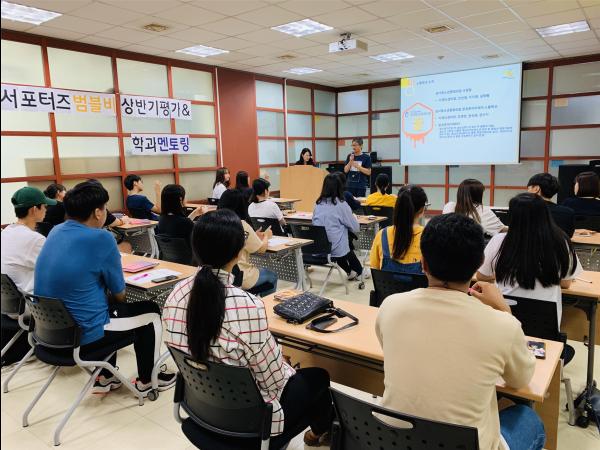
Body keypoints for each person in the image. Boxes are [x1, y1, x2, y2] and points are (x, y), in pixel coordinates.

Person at [162, 210, 332, 448]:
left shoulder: (175, 295)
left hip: (202, 411)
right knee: (318, 377)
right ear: (238, 252)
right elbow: (275, 382)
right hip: (254, 425)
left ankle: (317, 432)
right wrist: (283, 363)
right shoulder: (247, 306)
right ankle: (320, 433)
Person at [376, 213, 544, 450]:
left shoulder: (390, 306)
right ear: (479, 263)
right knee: (529, 419)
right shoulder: (503, 325)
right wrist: (505, 311)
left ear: (423, 263)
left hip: (395, 442)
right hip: (466, 444)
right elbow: (520, 381)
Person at [34, 181, 176, 396]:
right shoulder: (101, 237)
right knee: (150, 311)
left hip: (49, 334)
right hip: (83, 337)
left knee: (104, 305)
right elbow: (120, 294)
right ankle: (148, 380)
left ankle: (106, 376)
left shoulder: (55, 231)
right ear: (97, 212)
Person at [477, 193, 581, 325]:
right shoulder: (561, 241)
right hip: (545, 323)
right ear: (545, 214)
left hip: (504, 318)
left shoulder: (499, 240)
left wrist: (504, 273)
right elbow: (566, 283)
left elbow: (481, 276)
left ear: (512, 216)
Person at [218, 189, 278, 295]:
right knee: (272, 276)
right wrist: (266, 236)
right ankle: (265, 303)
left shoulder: (215, 222)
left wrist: (254, 235)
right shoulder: (240, 224)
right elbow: (261, 249)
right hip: (240, 275)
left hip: (219, 274)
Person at [1, 187, 55, 293]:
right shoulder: (35, 239)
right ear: (33, 209)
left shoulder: (6, 232)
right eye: (44, 206)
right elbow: (56, 269)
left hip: (10, 298)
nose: (46, 210)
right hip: (31, 299)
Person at [313, 173, 365, 280]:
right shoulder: (341, 204)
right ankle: (360, 271)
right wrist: (353, 217)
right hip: (335, 249)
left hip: (318, 248)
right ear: (339, 187)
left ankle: (350, 271)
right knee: (345, 238)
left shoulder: (318, 204)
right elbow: (355, 228)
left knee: (338, 235)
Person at [370, 185, 427, 273]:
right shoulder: (429, 237)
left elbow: (375, 270)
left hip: (387, 282)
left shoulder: (382, 235)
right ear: (422, 209)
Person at [527, 172, 575, 237]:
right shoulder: (568, 213)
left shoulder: (523, 210)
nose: (527, 191)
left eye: (528, 188)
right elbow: (568, 236)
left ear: (536, 189)